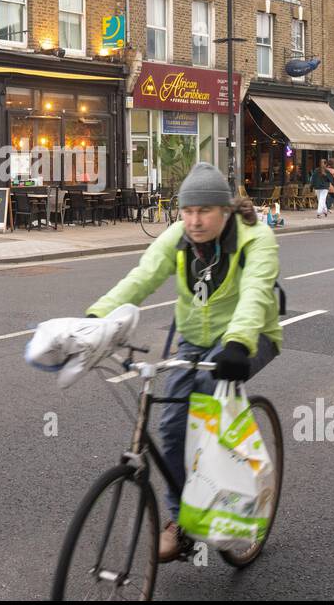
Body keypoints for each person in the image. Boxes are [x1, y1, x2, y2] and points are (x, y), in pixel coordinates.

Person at [84, 162, 282, 562]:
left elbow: (256, 294)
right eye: (187, 211)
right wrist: (94, 320)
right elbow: (140, 279)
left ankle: (241, 493)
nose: (194, 220)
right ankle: (183, 521)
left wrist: (239, 344)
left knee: (211, 409)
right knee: (172, 429)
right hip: (193, 341)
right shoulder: (177, 238)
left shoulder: (255, 240)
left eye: (204, 211)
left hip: (248, 337)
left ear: (225, 211)